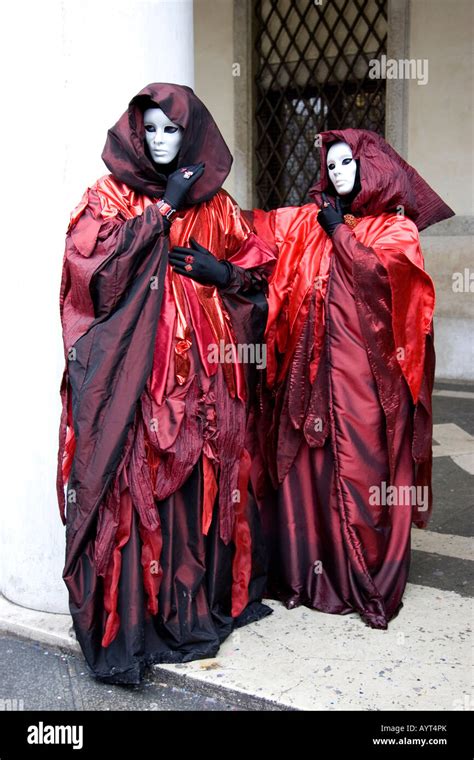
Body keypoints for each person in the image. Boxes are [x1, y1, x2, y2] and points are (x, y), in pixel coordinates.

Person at [57, 83, 275, 684]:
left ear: (190, 133)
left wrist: (221, 270)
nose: (158, 141)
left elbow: (260, 274)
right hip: (138, 377)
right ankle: (137, 620)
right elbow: (89, 275)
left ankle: (191, 605)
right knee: (140, 484)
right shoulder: (109, 196)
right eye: (149, 129)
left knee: (199, 479)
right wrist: (161, 212)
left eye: (170, 130)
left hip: (207, 372)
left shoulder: (218, 203)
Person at [252, 128, 454, 629]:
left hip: (369, 386)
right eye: (332, 165)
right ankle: (312, 574)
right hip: (315, 376)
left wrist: (339, 232)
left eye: (348, 163)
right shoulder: (312, 223)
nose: (338, 172)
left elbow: (382, 281)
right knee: (313, 468)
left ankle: (365, 575)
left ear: (373, 168)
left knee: (365, 473)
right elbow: (258, 233)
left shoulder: (396, 230)